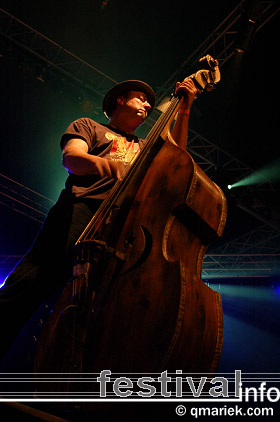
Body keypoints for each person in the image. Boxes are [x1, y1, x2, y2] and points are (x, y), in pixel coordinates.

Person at [0, 78, 197, 362]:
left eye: (149, 102)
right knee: (29, 286)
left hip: (121, 227)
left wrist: (185, 109)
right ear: (120, 100)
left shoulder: (144, 146)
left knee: (93, 310)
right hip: (80, 213)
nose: (148, 104)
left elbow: (177, 157)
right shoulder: (90, 127)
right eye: (141, 98)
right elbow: (72, 157)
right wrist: (104, 164)